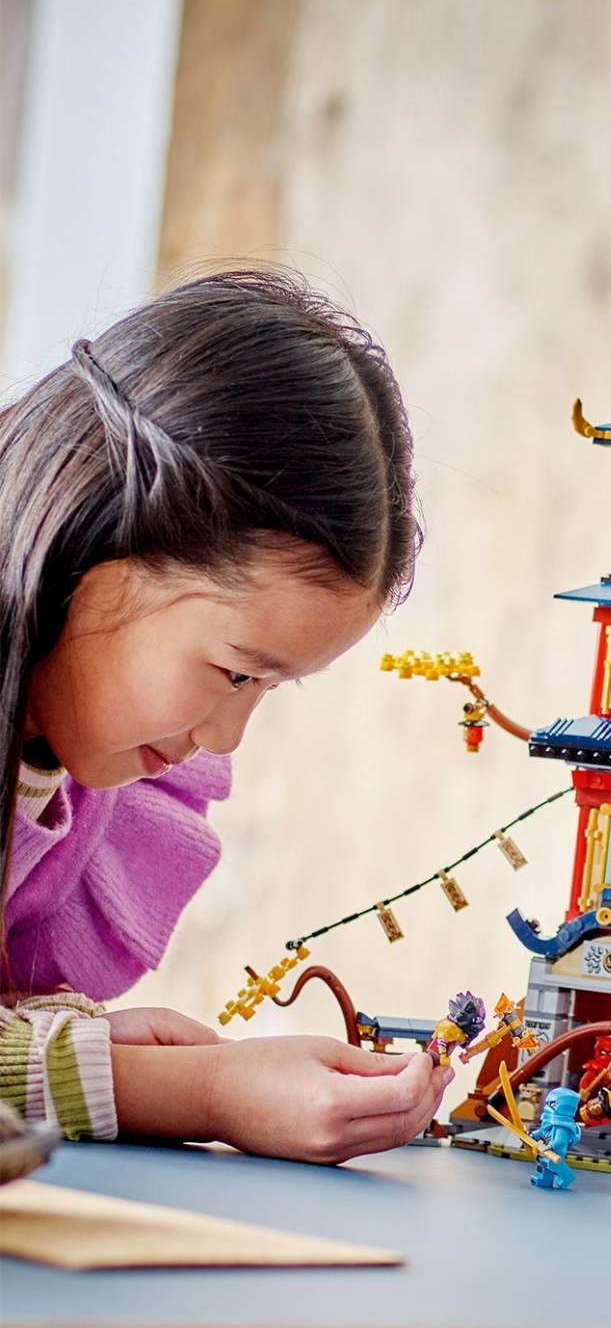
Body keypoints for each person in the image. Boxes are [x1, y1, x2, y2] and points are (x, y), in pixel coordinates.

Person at [0, 269, 452, 1163]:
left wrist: (69, 1045)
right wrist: (194, 1091)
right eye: (235, 671)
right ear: (96, 550)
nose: (225, 738)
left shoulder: (62, 762)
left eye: (267, 688)